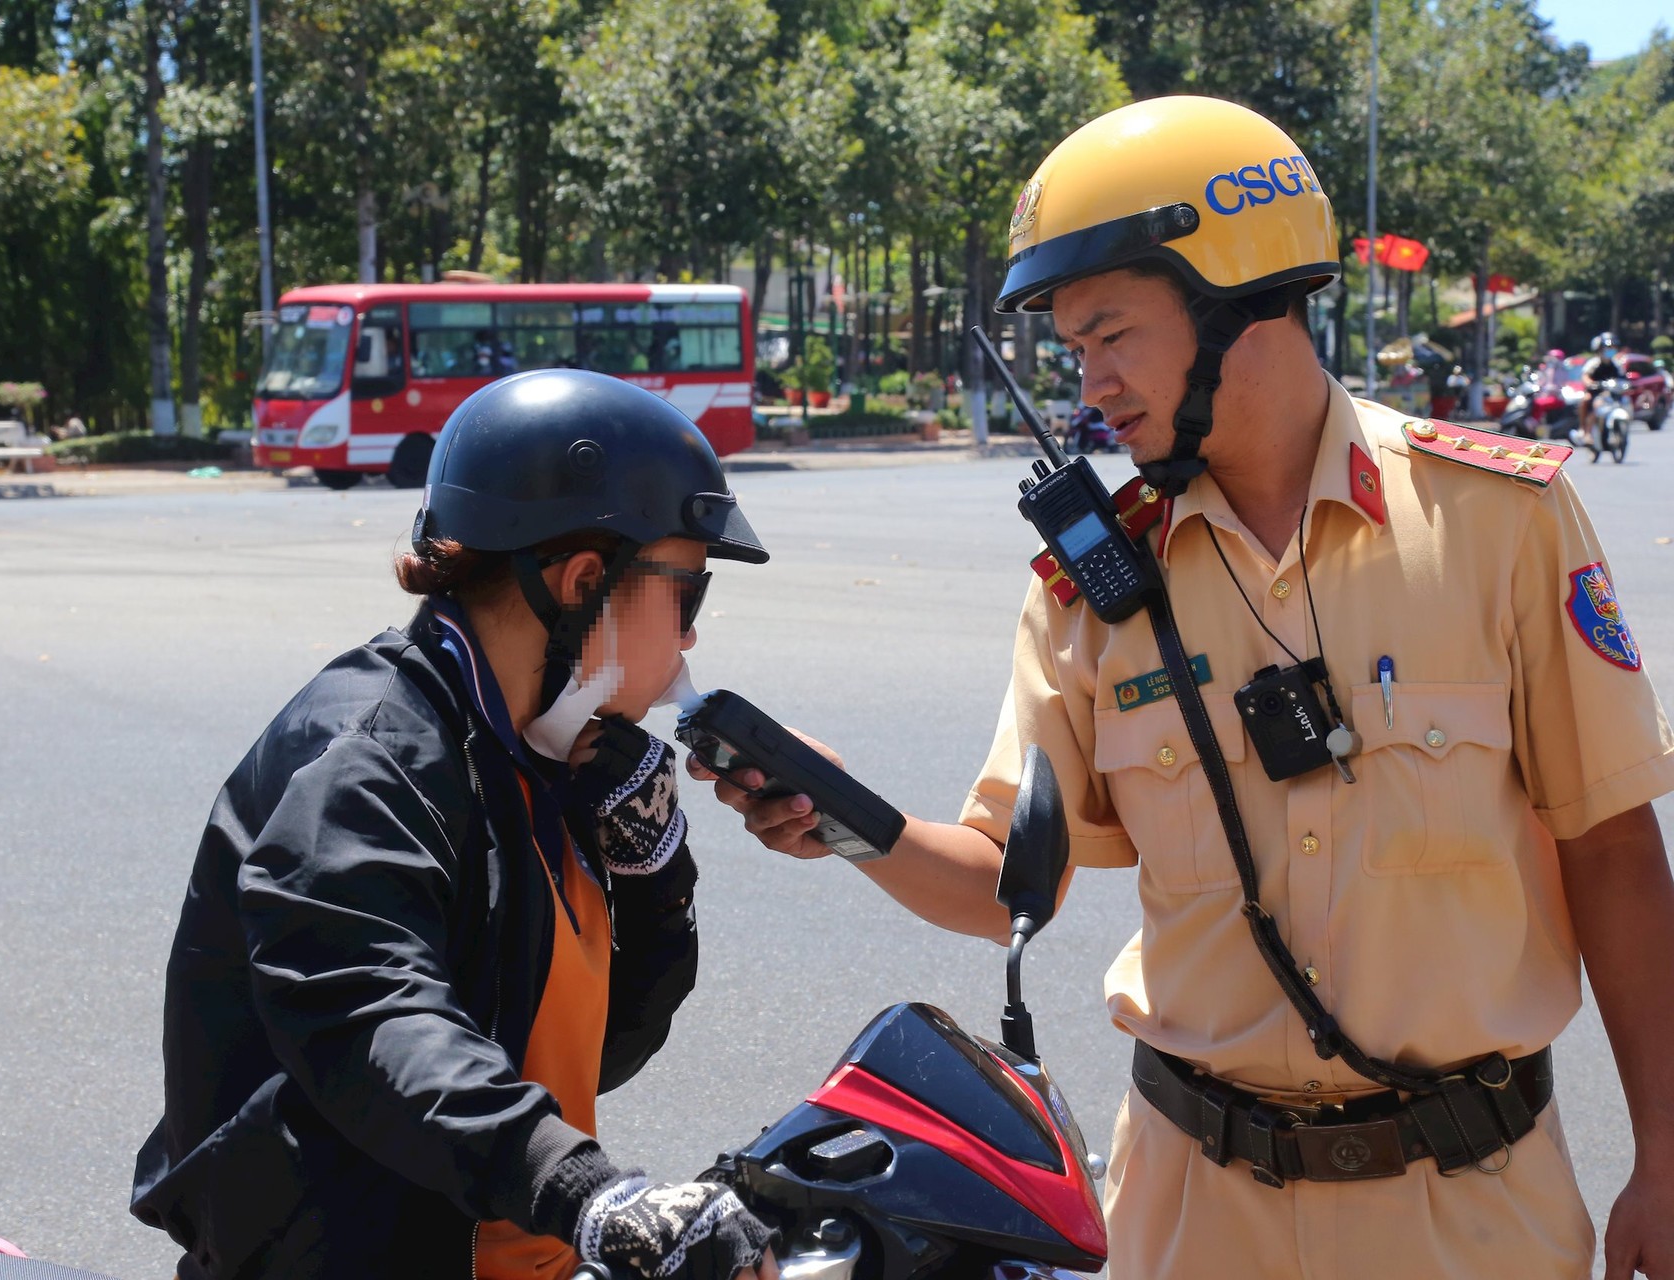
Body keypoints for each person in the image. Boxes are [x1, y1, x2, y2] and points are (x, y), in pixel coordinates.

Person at [693, 96, 1674, 1279]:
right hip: (1192, 1210)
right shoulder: (1090, 587)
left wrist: (1667, 1154)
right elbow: (1007, 880)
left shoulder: (1497, 520)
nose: (1090, 382)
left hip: (1472, 1213)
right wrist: (849, 818)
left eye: (1112, 334)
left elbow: (1613, 849)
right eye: (1070, 349)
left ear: (1236, 296)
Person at [132, 368, 781, 1280]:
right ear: (583, 579)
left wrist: (652, 879)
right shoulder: (373, 761)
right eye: (687, 595)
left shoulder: (539, 750)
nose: (689, 640)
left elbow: (600, 1051)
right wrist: (593, 1194)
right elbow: (376, 1018)